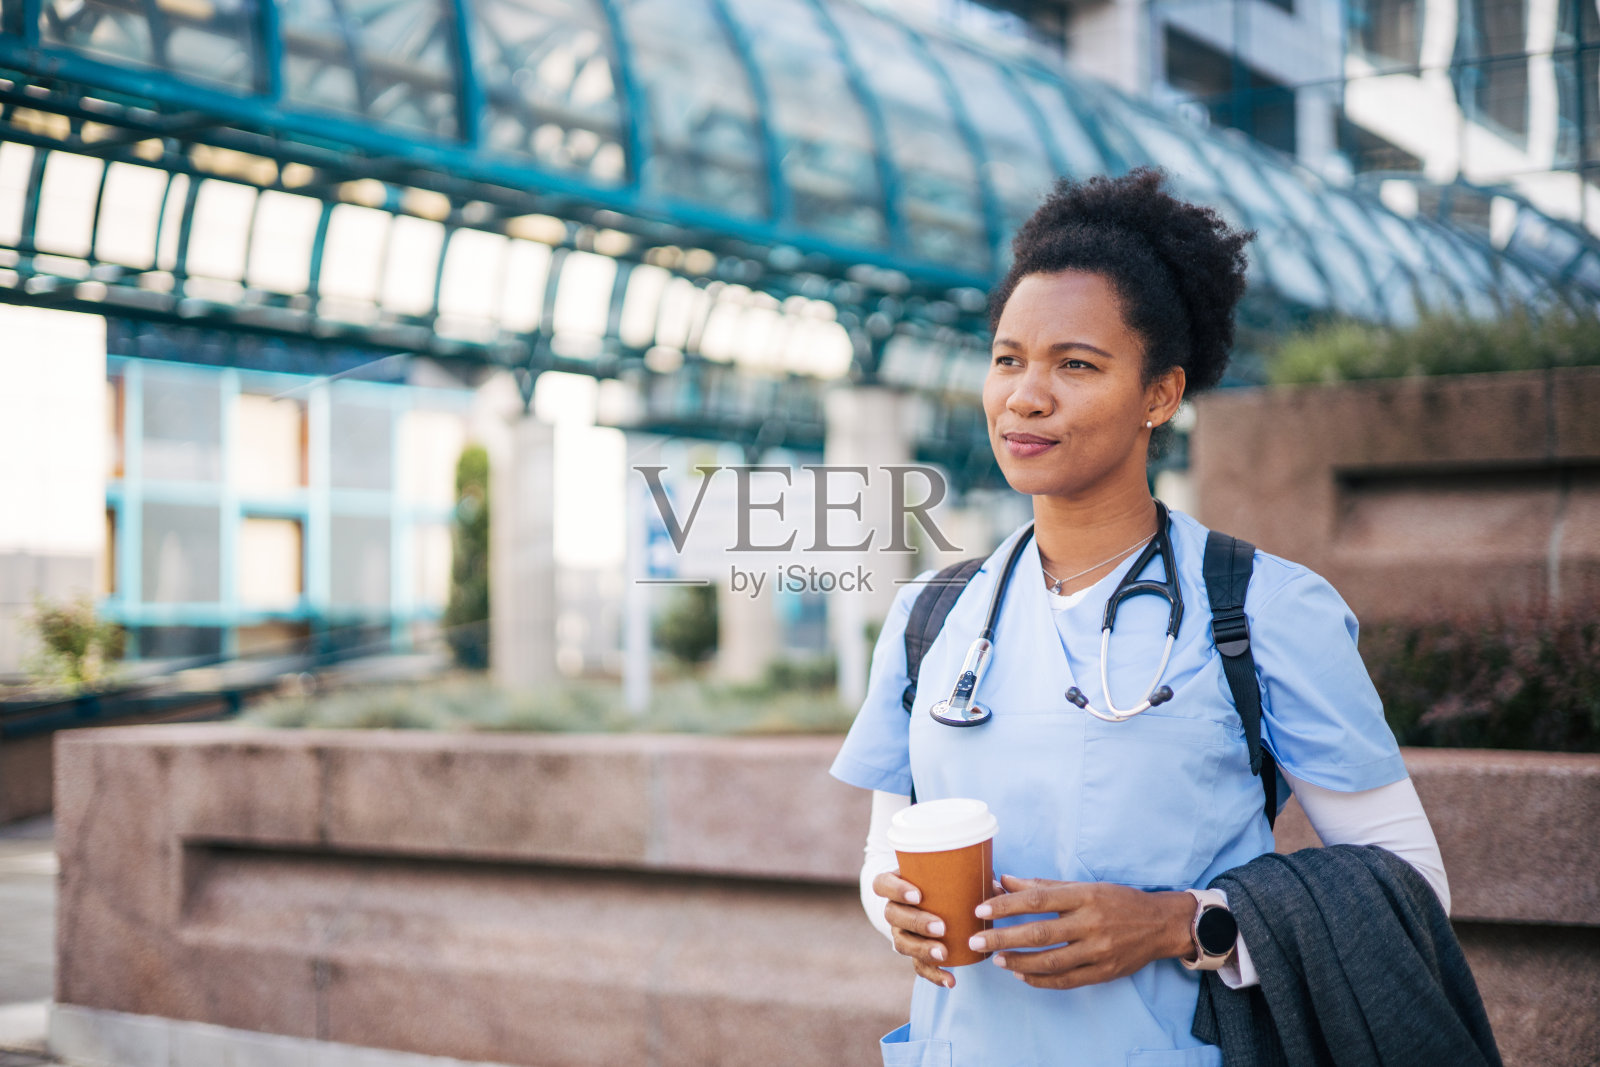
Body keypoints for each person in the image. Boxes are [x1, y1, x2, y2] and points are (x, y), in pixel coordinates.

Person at [827, 169, 1451, 1067]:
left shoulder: (1264, 609)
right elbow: (886, 849)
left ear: (1160, 394)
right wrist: (896, 914)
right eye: (1008, 358)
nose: (1025, 396)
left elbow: (1411, 888)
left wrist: (1177, 925)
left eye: (1075, 364)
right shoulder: (933, 615)